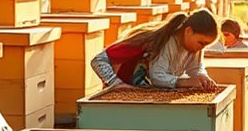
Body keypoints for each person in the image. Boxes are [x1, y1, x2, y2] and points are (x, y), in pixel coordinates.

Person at [91, 9, 219, 91]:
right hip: (121, 102)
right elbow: (98, 60)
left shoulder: (193, 47)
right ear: (188, 31)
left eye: (206, 45)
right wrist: (115, 83)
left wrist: (203, 76)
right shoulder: (152, 41)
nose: (201, 48)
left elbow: (195, 67)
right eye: (201, 43)